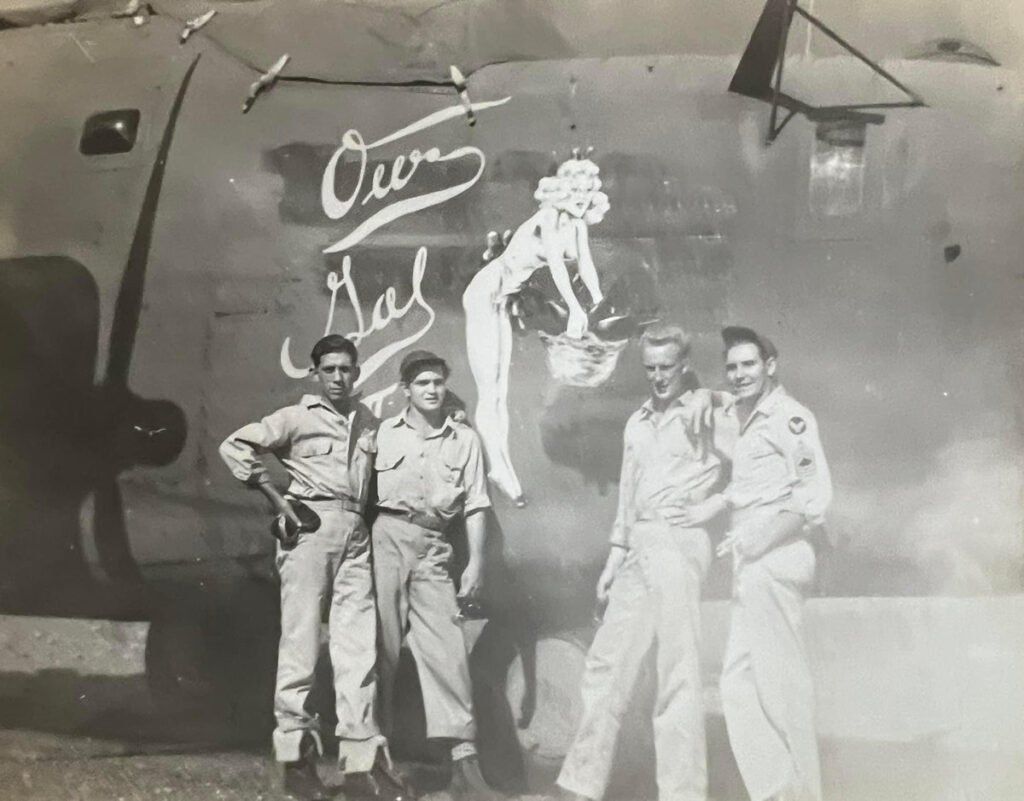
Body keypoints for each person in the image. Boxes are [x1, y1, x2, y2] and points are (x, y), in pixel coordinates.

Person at [218, 334, 407, 801]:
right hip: (309, 527)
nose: (338, 378)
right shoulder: (296, 418)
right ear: (315, 373)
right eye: (329, 370)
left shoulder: (367, 422)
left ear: (357, 373)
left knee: (357, 647)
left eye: (346, 369)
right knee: (301, 641)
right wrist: (279, 503)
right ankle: (294, 759)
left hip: (355, 533)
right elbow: (236, 446)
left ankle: (361, 764)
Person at [557, 324, 727, 801]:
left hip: (680, 541)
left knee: (678, 672)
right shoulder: (637, 422)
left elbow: (755, 459)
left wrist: (713, 507)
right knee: (605, 664)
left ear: (684, 366)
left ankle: (683, 793)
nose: (658, 376)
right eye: (650, 367)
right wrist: (614, 558)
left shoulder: (706, 411)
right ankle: (580, 784)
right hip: (639, 545)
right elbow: (628, 498)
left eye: (667, 367)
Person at [371, 349, 504, 801]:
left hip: (434, 548)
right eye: (423, 382)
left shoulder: (464, 440)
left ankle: (465, 771)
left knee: (449, 656)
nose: (432, 389)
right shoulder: (381, 435)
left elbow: (477, 505)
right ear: (405, 390)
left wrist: (476, 564)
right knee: (380, 654)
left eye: (438, 382)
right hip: (386, 541)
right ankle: (375, 765)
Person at [714, 326, 833, 801]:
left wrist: (760, 542)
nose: (739, 374)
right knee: (737, 686)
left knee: (783, 692)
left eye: (748, 364)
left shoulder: (790, 418)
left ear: (770, 366)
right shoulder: (743, 417)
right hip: (752, 563)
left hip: (776, 558)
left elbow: (812, 499)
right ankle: (779, 792)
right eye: (732, 366)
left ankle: (805, 794)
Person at [462, 154, 610, 506]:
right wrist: (574, 307)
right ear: (559, 191)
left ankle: (503, 465)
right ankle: (499, 466)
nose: (580, 196)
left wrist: (599, 301)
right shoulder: (547, 218)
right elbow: (558, 267)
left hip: (502, 299)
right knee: (491, 389)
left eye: (586, 190)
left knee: (503, 389)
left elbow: (586, 266)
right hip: (486, 291)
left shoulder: (578, 225)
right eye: (573, 189)